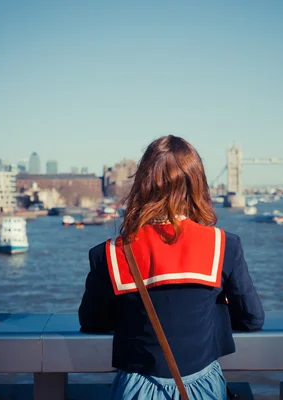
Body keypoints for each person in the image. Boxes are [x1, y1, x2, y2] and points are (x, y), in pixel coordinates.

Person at [79, 135, 265, 400]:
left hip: (136, 389)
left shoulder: (108, 254)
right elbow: (253, 319)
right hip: (201, 387)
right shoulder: (224, 246)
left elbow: (91, 321)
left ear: (142, 184)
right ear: (197, 184)